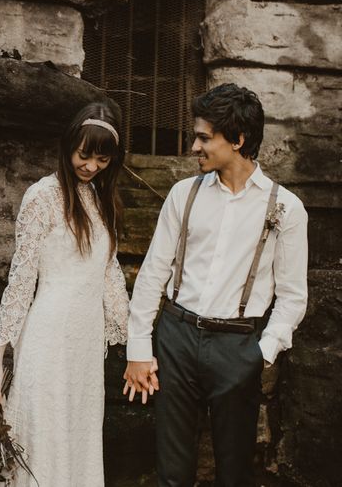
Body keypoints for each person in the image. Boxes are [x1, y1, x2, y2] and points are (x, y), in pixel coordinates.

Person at [123, 83, 308, 487]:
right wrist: (138, 347)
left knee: (235, 471)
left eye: (204, 137)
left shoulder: (285, 208)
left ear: (238, 140)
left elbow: (293, 296)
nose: (194, 146)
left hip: (238, 346)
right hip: (176, 338)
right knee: (171, 473)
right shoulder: (182, 194)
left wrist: (260, 353)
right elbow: (154, 271)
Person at [0, 102, 130, 486]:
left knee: (78, 443)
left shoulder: (100, 200)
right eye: (84, 154)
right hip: (48, 339)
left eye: (101, 159)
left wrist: (137, 345)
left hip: (85, 346)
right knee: (44, 441)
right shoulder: (42, 196)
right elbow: (21, 279)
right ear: (67, 146)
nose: (91, 166)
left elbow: (109, 275)